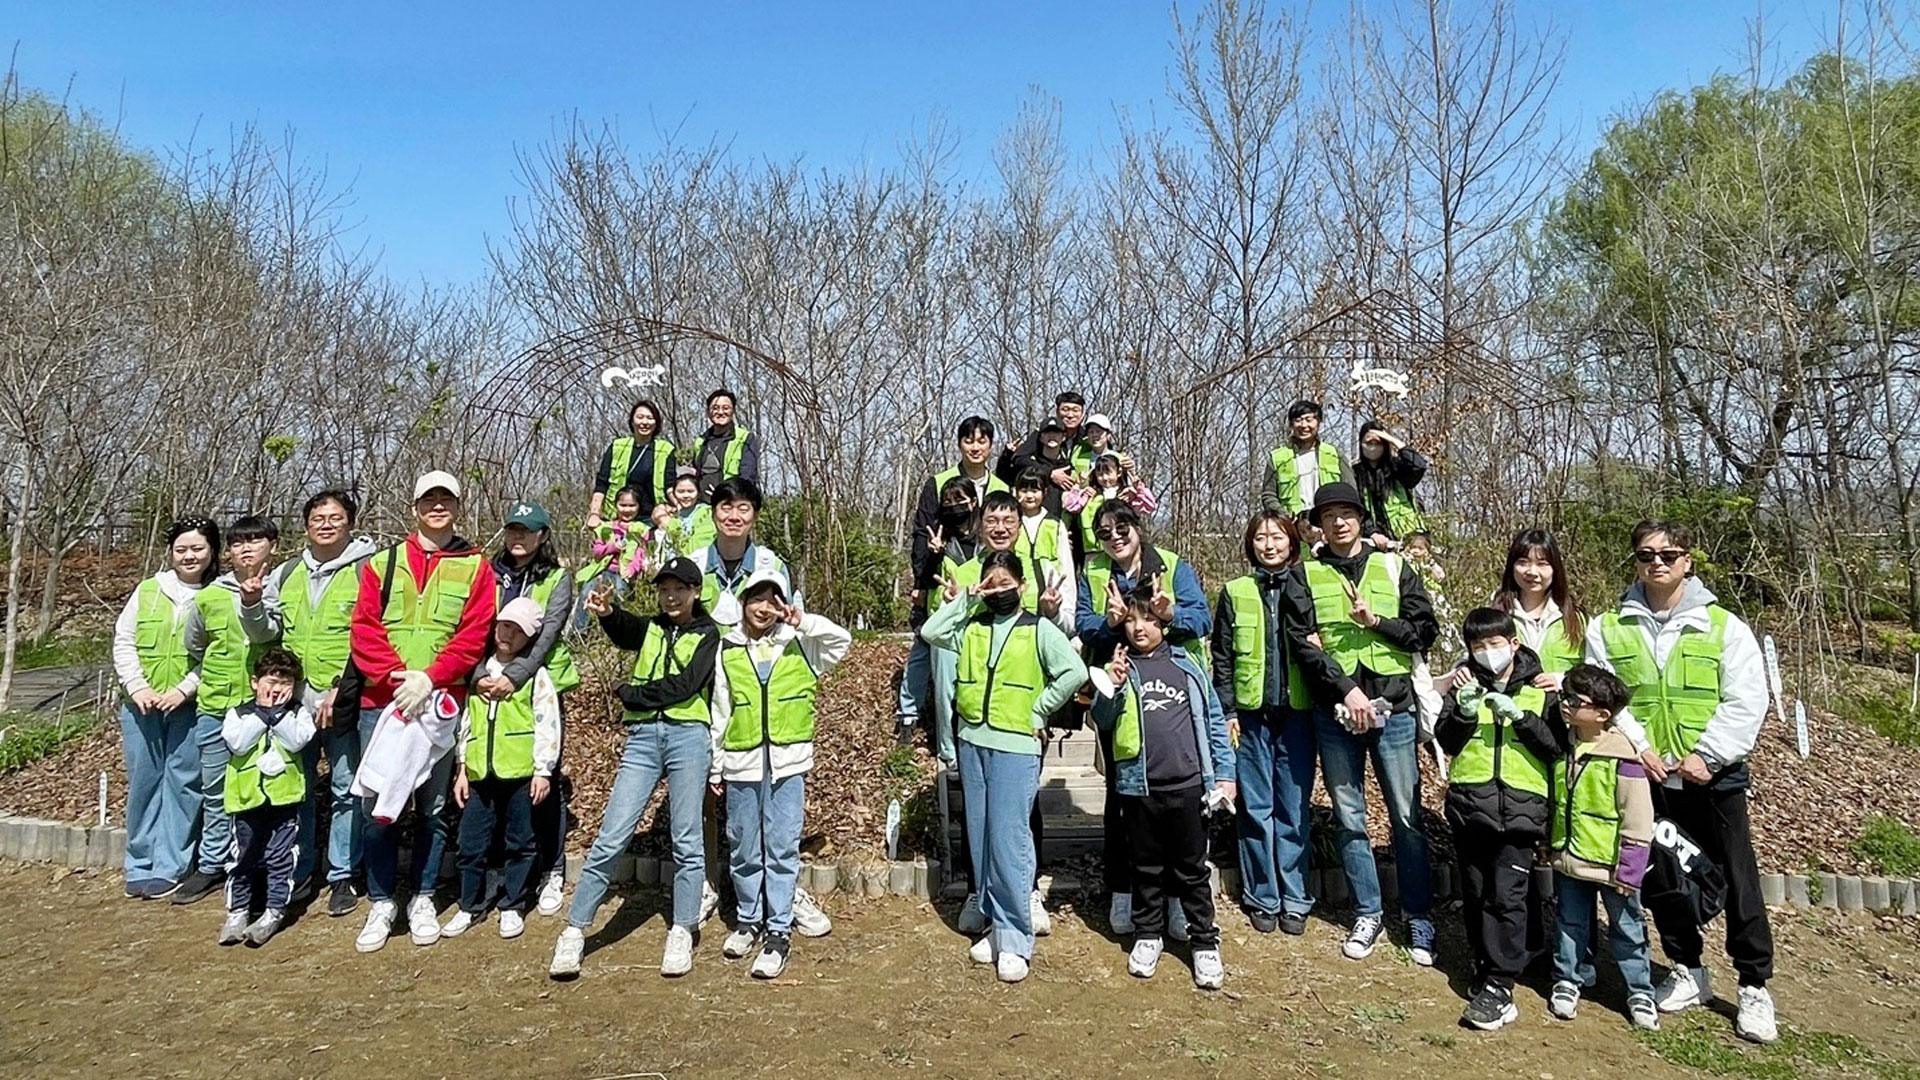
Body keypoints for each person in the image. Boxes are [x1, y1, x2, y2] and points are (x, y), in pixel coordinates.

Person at [1584, 519, 1776, 1044]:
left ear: (1688, 561)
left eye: (1669, 554)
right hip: (1648, 776)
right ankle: (1688, 969)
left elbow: (1747, 698)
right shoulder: (1608, 627)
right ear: (1636, 561)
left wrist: (1708, 755)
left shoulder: (1724, 626)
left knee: (1739, 878)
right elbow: (1607, 700)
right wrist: (1641, 748)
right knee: (1662, 878)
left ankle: (1753, 984)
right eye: (1646, 555)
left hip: (1714, 779)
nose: (1657, 563)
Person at [550, 557, 722, 980]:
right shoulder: (653, 628)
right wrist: (607, 612)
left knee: (687, 839)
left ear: (695, 592)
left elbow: (687, 685)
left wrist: (631, 694)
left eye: (680, 588)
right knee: (612, 835)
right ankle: (575, 929)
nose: (671, 596)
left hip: (688, 737)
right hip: (643, 740)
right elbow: (626, 629)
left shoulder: (708, 633)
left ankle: (683, 928)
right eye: (664, 588)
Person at [920, 550, 1086, 983]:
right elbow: (931, 631)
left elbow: (1074, 672)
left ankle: (1015, 938)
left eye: (1005, 584)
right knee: (981, 838)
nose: (998, 592)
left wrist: (1040, 709)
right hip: (973, 740)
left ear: (1022, 586)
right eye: (991, 584)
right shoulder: (971, 625)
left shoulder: (1038, 629)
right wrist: (968, 598)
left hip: (1016, 744)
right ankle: (995, 923)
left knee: (1009, 839)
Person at [349, 470, 498, 953]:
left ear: (457, 506)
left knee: (432, 809)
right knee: (378, 808)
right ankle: (381, 901)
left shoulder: (476, 567)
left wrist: (430, 679)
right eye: (429, 499)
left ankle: (423, 897)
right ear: (414, 507)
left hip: (439, 705)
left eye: (446, 499)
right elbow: (364, 629)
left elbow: (475, 634)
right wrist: (397, 679)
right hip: (384, 703)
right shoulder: (382, 563)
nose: (438, 506)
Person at [1295, 482, 1440, 964]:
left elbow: (1425, 632)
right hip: (1337, 712)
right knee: (1349, 816)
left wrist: (1376, 622)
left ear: (1360, 518)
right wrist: (1346, 690)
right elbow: (1302, 644)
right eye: (1328, 515)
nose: (1338, 522)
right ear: (1319, 525)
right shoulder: (1306, 574)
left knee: (1406, 817)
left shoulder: (1395, 566)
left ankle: (1418, 914)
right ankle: (1367, 912)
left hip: (1394, 708)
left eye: (1347, 513)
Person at [1074, 501, 1212, 935]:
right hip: (1120, 690)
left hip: (1171, 692)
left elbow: (1202, 619)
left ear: (1138, 526)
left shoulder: (1171, 565)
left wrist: (1169, 615)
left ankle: (1175, 897)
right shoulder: (1094, 572)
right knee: (1121, 796)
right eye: (1104, 532)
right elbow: (1083, 624)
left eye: (1122, 528)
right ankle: (1123, 889)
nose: (1114, 537)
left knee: (1177, 801)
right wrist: (1111, 623)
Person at [936, 491, 1070, 936]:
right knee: (978, 820)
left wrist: (1040, 710)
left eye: (1008, 519)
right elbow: (939, 635)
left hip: (1021, 718)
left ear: (1018, 523)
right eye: (991, 519)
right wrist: (967, 598)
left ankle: (1024, 894)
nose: (999, 527)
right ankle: (980, 892)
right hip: (975, 715)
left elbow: (1059, 646)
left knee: (1020, 816)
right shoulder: (964, 571)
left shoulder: (1036, 568)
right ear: (980, 524)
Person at [1091, 586, 1237, 990]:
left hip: (1189, 786)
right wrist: (1112, 685)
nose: (1139, 628)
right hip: (1139, 787)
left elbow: (1213, 721)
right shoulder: (1120, 668)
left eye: (1149, 619)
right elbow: (1102, 720)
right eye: (1131, 620)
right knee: (1146, 866)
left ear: (1164, 623)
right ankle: (1147, 935)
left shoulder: (1186, 665)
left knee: (1192, 869)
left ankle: (1204, 941)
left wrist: (1225, 774)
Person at [710, 573, 852, 978]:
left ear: (782, 604)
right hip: (741, 763)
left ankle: (778, 930)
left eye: (772, 600)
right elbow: (720, 709)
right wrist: (716, 765)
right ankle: (748, 919)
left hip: (788, 765)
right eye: (755, 599)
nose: (763, 608)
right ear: (743, 604)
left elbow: (842, 641)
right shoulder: (728, 648)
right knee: (743, 845)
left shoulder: (800, 643)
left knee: (781, 847)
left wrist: (802, 620)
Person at [1434, 608, 1565, 1031]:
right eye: (1478, 646)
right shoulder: (1464, 686)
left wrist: (1523, 720)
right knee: (1476, 892)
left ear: (1514, 644)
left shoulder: (1540, 690)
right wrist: (1463, 712)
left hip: (1522, 811)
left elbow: (1555, 747)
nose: (1487, 652)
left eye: (1494, 644)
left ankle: (1501, 986)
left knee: (1507, 897)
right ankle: (1486, 963)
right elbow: (1447, 742)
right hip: (1471, 807)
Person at [249, 491, 378, 917]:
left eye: (335, 517)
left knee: (346, 789)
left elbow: (371, 634)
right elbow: (266, 633)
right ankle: (298, 871)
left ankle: (343, 874)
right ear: (306, 526)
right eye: (318, 518)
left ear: (350, 523)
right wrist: (250, 603)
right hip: (294, 702)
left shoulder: (367, 569)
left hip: (344, 699)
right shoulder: (286, 573)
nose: (326, 524)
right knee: (296, 789)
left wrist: (342, 689)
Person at [1211, 511, 1330, 937]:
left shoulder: (1309, 585)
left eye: (1277, 536)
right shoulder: (1236, 591)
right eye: (1260, 537)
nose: (1269, 545)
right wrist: (1226, 711)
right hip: (1251, 716)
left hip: (1299, 712)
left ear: (1292, 542)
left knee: (1293, 809)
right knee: (1256, 808)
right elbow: (1222, 656)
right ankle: (1263, 895)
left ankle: (1295, 897)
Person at [1546, 664, 1659, 1031]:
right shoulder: (1562, 745)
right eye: (1564, 696)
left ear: (1602, 714)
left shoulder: (1624, 757)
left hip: (1612, 866)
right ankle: (1568, 979)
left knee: (1627, 928)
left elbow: (1637, 817)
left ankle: (1639, 990)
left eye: (1574, 700)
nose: (1565, 704)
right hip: (1570, 859)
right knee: (1570, 923)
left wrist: (1630, 870)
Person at [177, 515, 281, 906]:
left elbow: (268, 634)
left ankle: (259, 864)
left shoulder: (281, 588)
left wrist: (253, 601)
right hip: (216, 705)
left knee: (264, 788)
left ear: (272, 545)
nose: (246, 548)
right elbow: (194, 644)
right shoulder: (209, 596)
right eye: (238, 542)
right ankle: (211, 863)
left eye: (256, 540)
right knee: (215, 789)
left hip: (265, 709)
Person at [444, 597, 562, 942]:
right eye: (504, 626)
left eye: (517, 631)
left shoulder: (535, 676)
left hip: (520, 772)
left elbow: (547, 723)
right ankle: (469, 903)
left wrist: (543, 770)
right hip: (479, 773)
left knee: (520, 841)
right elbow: (465, 724)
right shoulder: (478, 673)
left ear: (530, 638)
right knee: (470, 842)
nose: (507, 634)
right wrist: (462, 768)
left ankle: (513, 903)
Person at [112, 518, 218, 899]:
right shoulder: (149, 590)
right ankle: (139, 862)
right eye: (181, 549)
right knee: (144, 782)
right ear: (171, 552)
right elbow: (124, 640)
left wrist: (185, 689)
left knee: (183, 785)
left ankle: (171, 864)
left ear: (212, 551)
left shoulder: (217, 594)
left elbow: (218, 652)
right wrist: (137, 686)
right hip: (141, 706)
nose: (189, 556)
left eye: (197, 548)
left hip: (188, 706)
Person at [486, 501, 579, 918]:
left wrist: (516, 676)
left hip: (540, 685)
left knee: (544, 777)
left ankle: (551, 869)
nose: (518, 537)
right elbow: (477, 628)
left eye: (527, 530)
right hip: (489, 684)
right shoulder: (489, 574)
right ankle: (500, 872)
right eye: (513, 529)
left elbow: (547, 635)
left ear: (543, 536)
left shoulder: (556, 578)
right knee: (491, 780)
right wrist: (480, 675)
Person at [901, 418, 1007, 739]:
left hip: (982, 585)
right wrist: (921, 583)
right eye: (968, 440)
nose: (975, 447)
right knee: (926, 643)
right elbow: (923, 534)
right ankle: (909, 714)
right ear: (959, 444)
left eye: (982, 441)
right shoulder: (939, 482)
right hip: (943, 581)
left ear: (991, 445)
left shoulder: (1001, 487)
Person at [216, 647, 317, 948]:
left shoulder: (298, 713)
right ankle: (237, 911)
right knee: (242, 856)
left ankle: (274, 909)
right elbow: (238, 743)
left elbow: (297, 741)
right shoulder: (238, 714)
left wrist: (279, 715)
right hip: (245, 798)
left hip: (285, 799)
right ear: (254, 682)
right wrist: (262, 714)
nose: (277, 689)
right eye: (271, 682)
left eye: (286, 683)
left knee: (280, 856)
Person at [690, 476, 793, 628]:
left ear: (755, 516)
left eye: (743, 509)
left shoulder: (772, 566)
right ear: (713, 514)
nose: (734, 517)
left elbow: (786, 625)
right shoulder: (694, 565)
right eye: (726, 508)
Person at [1491, 529, 1584, 687]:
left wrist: (1561, 681)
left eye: (1542, 564)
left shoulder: (1578, 620)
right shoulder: (1496, 616)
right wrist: (1462, 669)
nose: (1532, 572)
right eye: (1523, 562)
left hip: (1561, 702)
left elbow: (1594, 672)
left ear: (1555, 569)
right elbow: (1474, 659)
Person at [588, 399, 676, 527]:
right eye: (640, 417)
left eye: (650, 418)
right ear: (632, 421)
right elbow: (602, 484)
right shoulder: (618, 446)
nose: (644, 422)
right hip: (617, 517)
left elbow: (670, 486)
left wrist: (677, 505)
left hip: (651, 520)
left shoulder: (666, 449)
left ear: (656, 423)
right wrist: (594, 514)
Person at [1261, 399, 1351, 515]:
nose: (1304, 425)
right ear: (1291, 425)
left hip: (1328, 521)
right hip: (1292, 522)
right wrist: (1286, 517)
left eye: (1309, 420)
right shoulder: (1277, 457)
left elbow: (1350, 490)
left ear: (1319, 423)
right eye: (1298, 420)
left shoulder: (1334, 454)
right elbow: (1269, 495)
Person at [1064, 452, 1157, 564]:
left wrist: (1138, 488)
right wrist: (1078, 486)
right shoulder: (1091, 495)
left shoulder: (1126, 494)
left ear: (1119, 472)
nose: (1104, 478)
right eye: (1100, 474)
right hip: (1095, 553)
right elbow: (1070, 506)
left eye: (1108, 473)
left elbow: (1150, 506)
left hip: (1123, 551)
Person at [576, 487, 648, 629]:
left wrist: (632, 569)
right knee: (586, 593)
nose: (627, 509)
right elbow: (597, 551)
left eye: (632, 505)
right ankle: (579, 630)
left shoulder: (641, 530)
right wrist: (613, 547)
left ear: (638, 507)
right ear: (615, 505)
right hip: (603, 571)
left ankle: (620, 629)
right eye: (623, 505)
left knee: (621, 596)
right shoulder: (606, 527)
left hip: (624, 573)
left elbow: (641, 553)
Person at [1353, 420, 1428, 544]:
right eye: (1368, 442)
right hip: (1374, 540)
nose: (1373, 446)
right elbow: (1356, 507)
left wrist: (1393, 441)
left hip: (1409, 537)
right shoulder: (1356, 473)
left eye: (1378, 443)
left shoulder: (1397, 467)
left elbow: (1419, 465)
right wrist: (1372, 532)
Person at [996, 391, 1088, 488]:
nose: (1070, 415)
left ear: (1082, 414)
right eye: (1065, 410)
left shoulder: (1087, 437)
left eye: (1075, 410)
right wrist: (1049, 472)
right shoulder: (1042, 434)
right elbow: (1020, 459)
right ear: (1057, 412)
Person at [998, 415, 1077, 514]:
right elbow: (1004, 478)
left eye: (1056, 432)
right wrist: (1006, 456)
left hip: (1059, 520)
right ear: (1040, 437)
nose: (1052, 436)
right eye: (1047, 432)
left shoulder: (1067, 467)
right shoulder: (1029, 464)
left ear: (1063, 437)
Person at [1013, 466, 1073, 595]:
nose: (1029, 496)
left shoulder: (1055, 524)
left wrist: (1068, 601)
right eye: (1024, 491)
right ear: (1015, 492)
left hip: (1050, 597)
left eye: (1035, 491)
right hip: (1019, 597)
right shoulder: (1012, 522)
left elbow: (1066, 565)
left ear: (1045, 492)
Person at [692, 388, 760, 498]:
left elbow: (747, 476)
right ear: (708, 412)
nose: (720, 412)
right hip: (701, 504)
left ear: (733, 411)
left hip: (731, 501)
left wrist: (726, 494)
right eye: (715, 408)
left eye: (726, 408)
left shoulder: (745, 438)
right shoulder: (700, 441)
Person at [652, 467, 717, 560]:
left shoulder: (706, 513)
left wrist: (669, 524)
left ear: (698, 493)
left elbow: (700, 544)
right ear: (674, 493)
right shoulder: (673, 514)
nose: (686, 495)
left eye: (690, 491)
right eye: (681, 491)